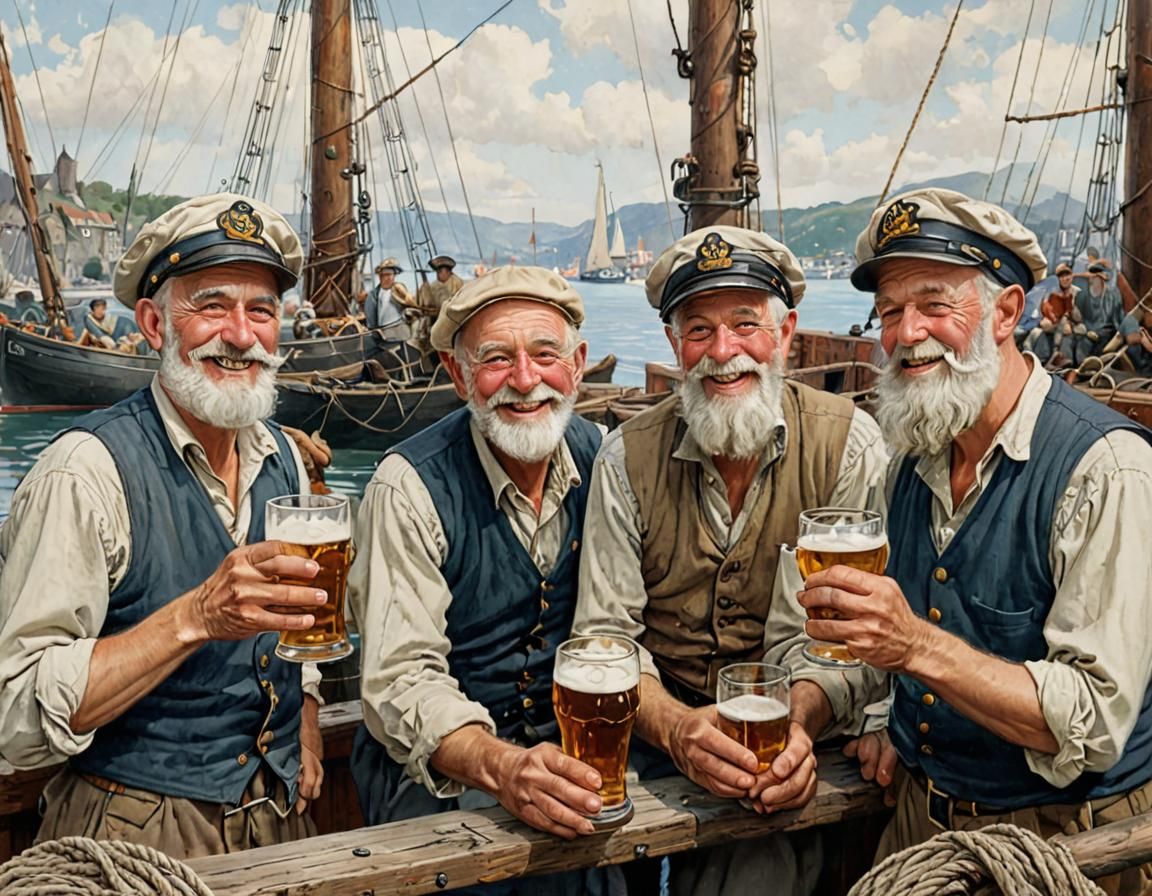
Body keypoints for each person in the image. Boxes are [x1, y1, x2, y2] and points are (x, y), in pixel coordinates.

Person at [803, 187, 1152, 895]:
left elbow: (1091, 720)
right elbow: (892, 641)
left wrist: (913, 649)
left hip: (1070, 841)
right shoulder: (910, 456)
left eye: (935, 304)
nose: (906, 333)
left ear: (1006, 313)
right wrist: (885, 717)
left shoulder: (1106, 468)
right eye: (891, 313)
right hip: (921, 826)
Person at [0, 193, 328, 859]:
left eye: (261, 310)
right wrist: (196, 617)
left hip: (279, 819)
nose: (240, 334)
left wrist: (311, 715)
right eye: (212, 306)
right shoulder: (85, 473)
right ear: (153, 323)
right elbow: (15, 718)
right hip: (134, 834)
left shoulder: (285, 459)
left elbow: (302, 629)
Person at [574, 226, 889, 896]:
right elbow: (606, 640)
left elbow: (849, 641)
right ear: (672, 344)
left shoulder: (848, 444)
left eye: (746, 324)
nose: (723, 353)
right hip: (659, 736)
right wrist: (680, 730)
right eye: (698, 330)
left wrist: (797, 723)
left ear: (786, 334)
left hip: (803, 733)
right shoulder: (625, 457)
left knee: (757, 869)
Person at [349, 266, 617, 895]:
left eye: (545, 355)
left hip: (575, 776)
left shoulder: (606, 457)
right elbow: (401, 678)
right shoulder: (407, 486)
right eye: (496, 359)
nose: (524, 381)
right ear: (458, 375)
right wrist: (501, 765)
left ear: (576, 366)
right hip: (439, 789)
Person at [1023, 262, 1081, 366]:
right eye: (1061, 276)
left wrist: (1069, 321)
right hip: (1053, 325)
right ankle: (1035, 362)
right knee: (1035, 334)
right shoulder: (1052, 293)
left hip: (1071, 327)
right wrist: (1044, 320)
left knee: (1064, 332)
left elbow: (1079, 318)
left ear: (1072, 275)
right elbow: (1045, 310)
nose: (1065, 279)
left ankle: (1059, 360)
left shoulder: (1078, 292)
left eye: (1067, 275)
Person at [1070, 263, 1124, 364]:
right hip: (1087, 330)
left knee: (1098, 343)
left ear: (1101, 279)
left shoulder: (1112, 294)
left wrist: (1099, 332)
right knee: (1079, 341)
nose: (1092, 279)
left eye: (1095, 277)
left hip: (1106, 332)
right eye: (1091, 277)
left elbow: (1117, 321)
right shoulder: (1083, 294)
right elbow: (1078, 317)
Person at [363, 258, 412, 330]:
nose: (387, 278)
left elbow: (409, 307)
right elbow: (371, 322)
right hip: (382, 334)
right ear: (380, 276)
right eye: (384, 275)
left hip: (400, 331)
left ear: (394, 276)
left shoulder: (400, 291)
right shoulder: (373, 296)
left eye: (389, 275)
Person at [415, 254, 464, 319]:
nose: (441, 274)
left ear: (449, 272)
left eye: (444, 271)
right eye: (439, 271)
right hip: (437, 317)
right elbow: (428, 303)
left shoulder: (457, 282)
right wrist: (425, 287)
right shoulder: (433, 286)